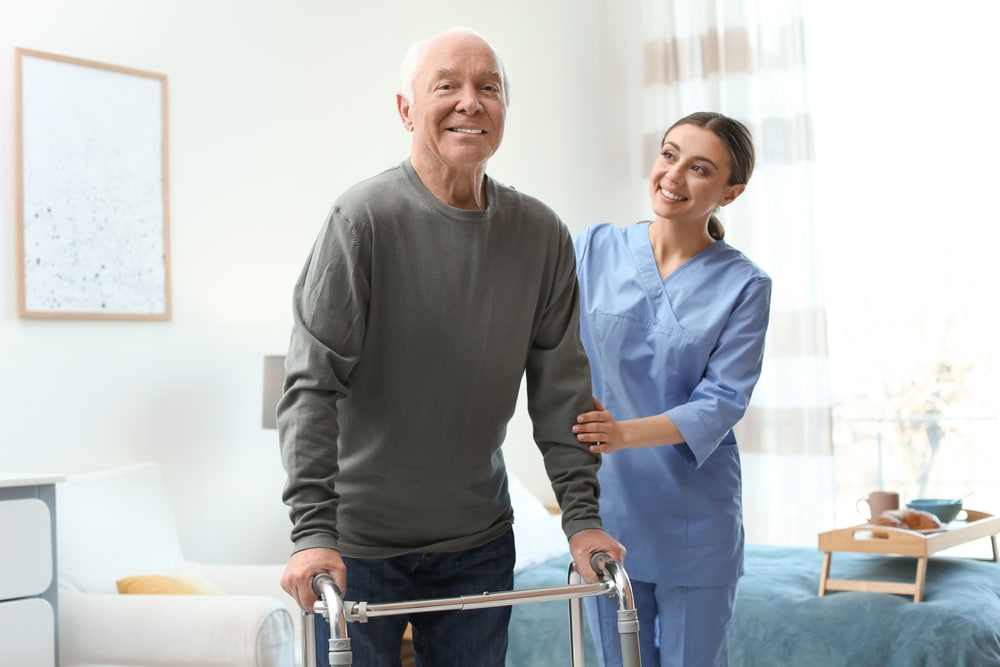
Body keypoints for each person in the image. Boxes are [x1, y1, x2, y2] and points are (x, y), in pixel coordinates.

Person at [276, 26, 624, 667]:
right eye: (448, 86)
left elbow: (561, 392)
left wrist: (580, 517)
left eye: (487, 87)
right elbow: (310, 387)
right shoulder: (362, 220)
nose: (471, 101)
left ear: (503, 113)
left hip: (478, 541)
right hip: (358, 545)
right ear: (406, 109)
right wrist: (311, 533)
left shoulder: (541, 235)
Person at [571, 112, 771, 667]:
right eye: (668, 154)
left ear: (731, 193)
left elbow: (723, 400)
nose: (674, 175)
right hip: (606, 511)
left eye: (699, 168)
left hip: (694, 520)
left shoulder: (745, 285)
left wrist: (620, 432)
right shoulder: (593, 248)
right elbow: (532, 318)